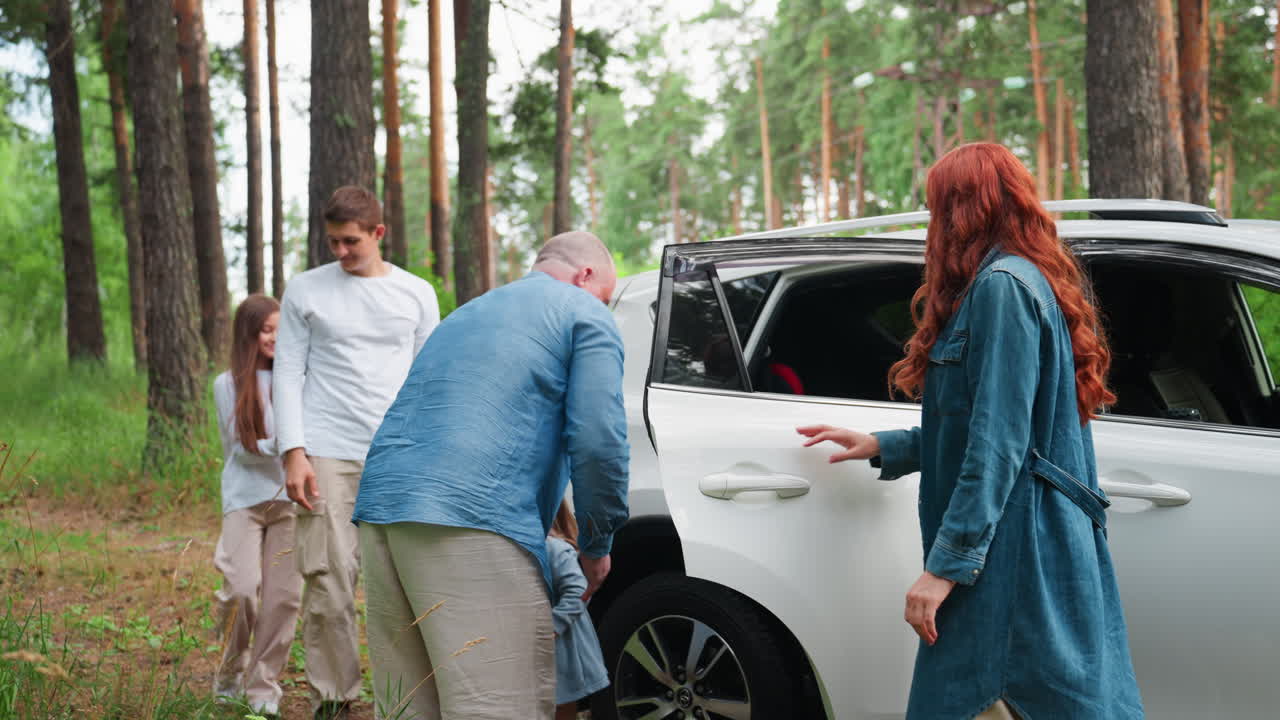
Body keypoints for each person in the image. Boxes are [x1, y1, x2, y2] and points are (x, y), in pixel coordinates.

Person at [797, 143, 1144, 719]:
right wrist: (886, 445)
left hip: (1010, 560)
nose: (936, 225)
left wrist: (944, 568)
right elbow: (990, 428)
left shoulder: (1003, 288)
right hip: (1020, 550)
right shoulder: (1022, 280)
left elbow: (1001, 443)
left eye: (939, 208)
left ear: (965, 209)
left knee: (992, 697)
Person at [353, 230, 630, 720]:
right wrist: (597, 541)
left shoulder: (465, 313)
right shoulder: (584, 312)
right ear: (586, 276)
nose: (603, 307)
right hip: (473, 516)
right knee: (498, 707)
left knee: (408, 707)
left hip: (381, 510)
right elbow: (598, 439)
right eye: (606, 297)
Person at [274, 186, 440, 719]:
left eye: (350, 241)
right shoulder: (305, 290)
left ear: (378, 234)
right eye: (333, 242)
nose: (340, 252)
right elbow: (288, 371)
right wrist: (293, 451)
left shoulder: (416, 294)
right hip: (326, 449)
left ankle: (405, 698)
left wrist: (428, 448)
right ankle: (335, 695)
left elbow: (428, 377)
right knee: (328, 575)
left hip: (397, 451)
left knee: (400, 579)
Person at [211, 294, 300, 720]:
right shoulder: (226, 384)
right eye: (267, 331)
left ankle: (263, 684)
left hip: (289, 501)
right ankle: (229, 673)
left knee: (283, 599)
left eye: (280, 330)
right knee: (241, 591)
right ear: (249, 334)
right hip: (244, 501)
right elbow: (244, 452)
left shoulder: (296, 379)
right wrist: (288, 445)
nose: (275, 339)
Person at [547, 500, 610, 720]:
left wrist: (551, 627)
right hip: (558, 644)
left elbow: (579, 591)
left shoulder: (553, 547)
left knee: (561, 704)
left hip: (563, 645)